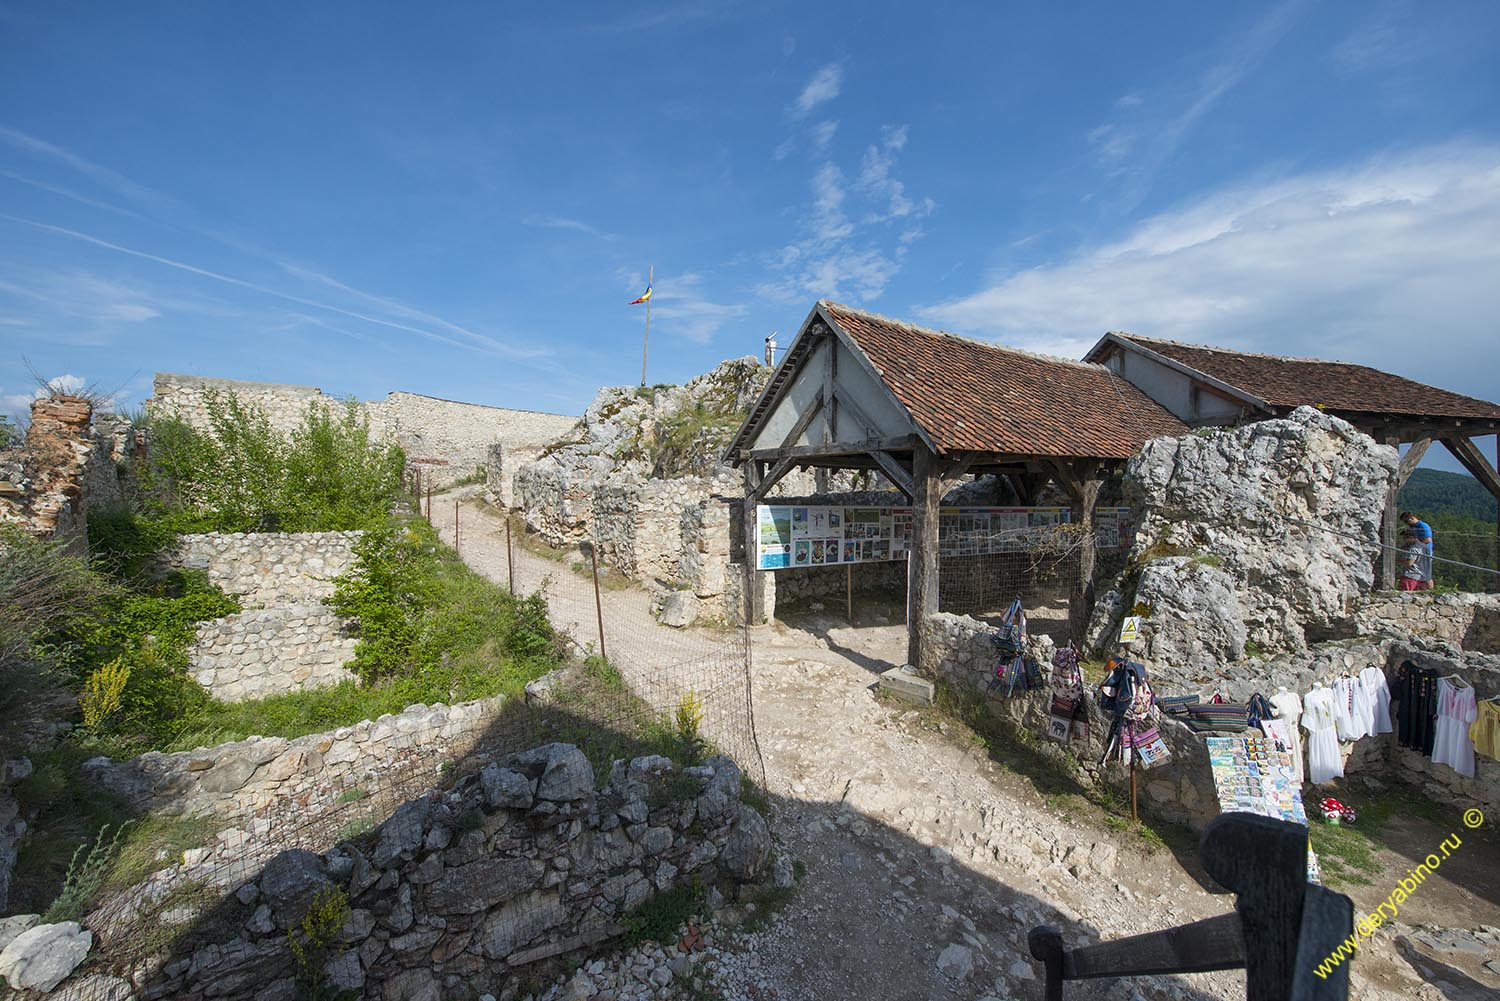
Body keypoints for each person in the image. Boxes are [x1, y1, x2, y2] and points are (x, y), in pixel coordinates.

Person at [1400, 512, 1434, 589]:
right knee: (1417, 571)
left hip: (1424, 553)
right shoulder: (1414, 527)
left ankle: (1430, 589)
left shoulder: (1423, 526)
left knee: (1427, 574)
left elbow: (1428, 540)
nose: (1406, 523)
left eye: (1406, 521)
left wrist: (1416, 544)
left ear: (1412, 518)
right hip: (1417, 551)